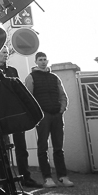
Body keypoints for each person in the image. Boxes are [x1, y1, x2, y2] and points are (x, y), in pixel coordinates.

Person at [0, 49, 42, 188]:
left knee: (21, 146)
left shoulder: (12, 71)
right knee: (0, 147)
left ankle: (25, 177)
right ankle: (2, 178)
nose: (6, 54)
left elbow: (18, 89)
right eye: (3, 52)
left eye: (7, 52)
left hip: (15, 113)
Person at [25, 52, 74, 187]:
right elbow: (28, 98)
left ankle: (62, 176)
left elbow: (62, 95)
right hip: (43, 117)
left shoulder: (54, 77)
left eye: (45, 59)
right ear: (36, 62)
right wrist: (37, 114)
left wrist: (61, 109)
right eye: (40, 59)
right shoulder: (31, 77)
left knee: (58, 148)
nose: (43, 62)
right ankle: (47, 178)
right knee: (43, 147)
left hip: (57, 115)